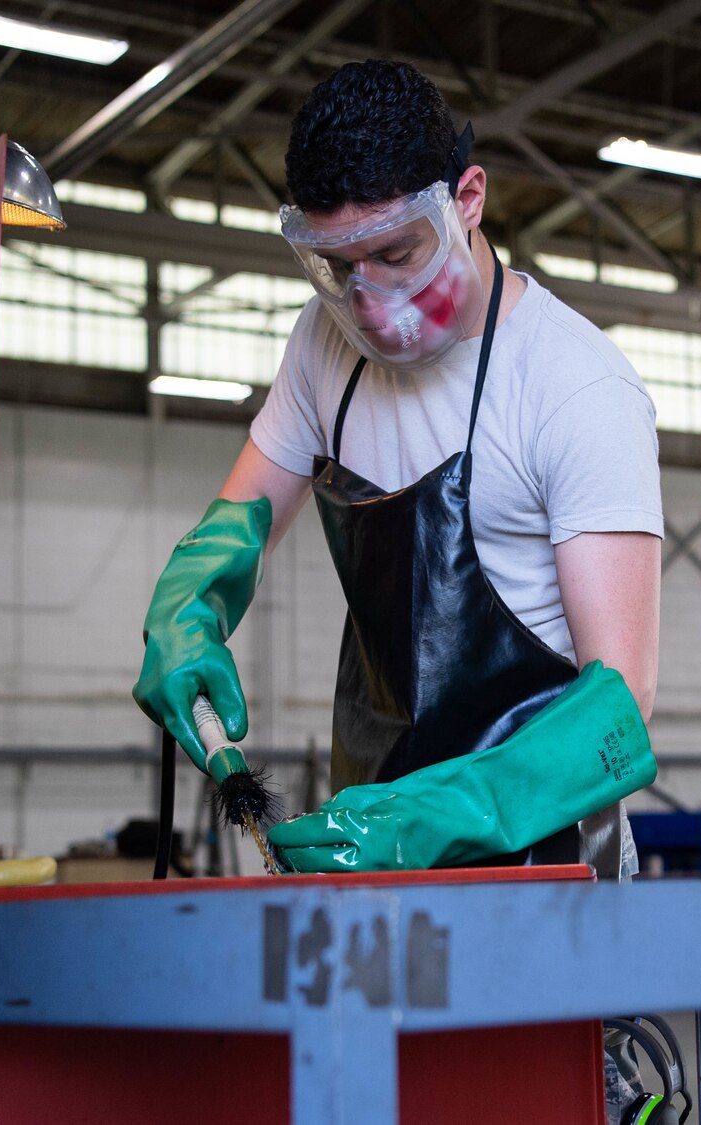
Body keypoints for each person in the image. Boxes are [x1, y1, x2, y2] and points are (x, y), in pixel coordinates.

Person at [132, 58, 665, 883]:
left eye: (398, 254)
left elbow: (619, 716)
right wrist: (185, 610)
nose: (370, 304)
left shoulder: (574, 385)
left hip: (548, 855)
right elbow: (238, 523)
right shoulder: (323, 344)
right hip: (369, 834)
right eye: (339, 269)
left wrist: (434, 819)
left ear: (468, 200)